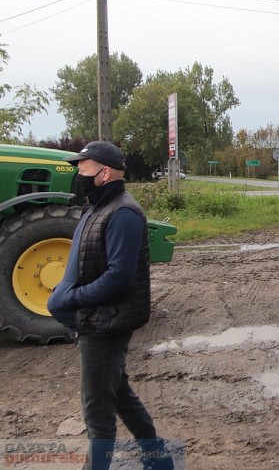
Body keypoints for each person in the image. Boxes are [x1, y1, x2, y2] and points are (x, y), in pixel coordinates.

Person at [46, 141, 172, 470]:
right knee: (118, 392)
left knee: (98, 413)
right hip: (95, 318)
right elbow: (85, 261)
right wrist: (63, 292)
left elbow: (119, 278)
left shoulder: (123, 214)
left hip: (106, 323)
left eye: (83, 169)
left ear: (104, 172)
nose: (78, 175)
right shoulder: (98, 207)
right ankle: (158, 459)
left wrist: (70, 299)